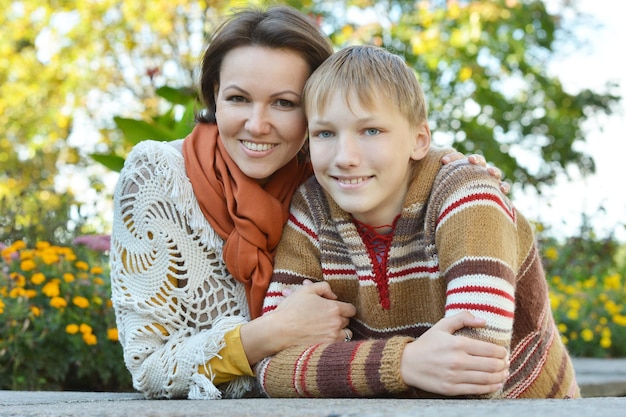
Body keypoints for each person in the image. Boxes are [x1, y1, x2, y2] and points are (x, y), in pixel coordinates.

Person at [109, 6, 506, 400]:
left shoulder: (320, 182)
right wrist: (272, 333)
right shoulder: (159, 177)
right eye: (238, 98)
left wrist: (443, 167)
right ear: (215, 96)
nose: (257, 124)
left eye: (284, 103)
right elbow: (149, 367)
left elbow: (380, 144)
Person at [257, 45, 580, 399]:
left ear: (419, 139)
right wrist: (403, 363)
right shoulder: (313, 208)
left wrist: (336, 367)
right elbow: (271, 367)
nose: (345, 158)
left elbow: (474, 368)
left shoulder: (467, 193)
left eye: (371, 131)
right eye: (325, 133)